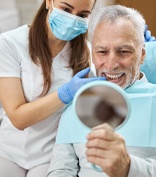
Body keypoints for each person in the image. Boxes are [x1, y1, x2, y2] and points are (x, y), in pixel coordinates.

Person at [0, 0, 107, 176]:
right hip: (8, 150)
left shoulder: (87, 56)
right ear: (49, 2)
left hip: (50, 155)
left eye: (82, 15)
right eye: (66, 9)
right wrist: (65, 94)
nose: (73, 20)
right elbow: (18, 118)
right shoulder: (10, 43)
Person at [47, 5, 156, 177]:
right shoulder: (76, 106)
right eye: (102, 52)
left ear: (142, 54)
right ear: (92, 55)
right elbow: (61, 170)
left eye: (124, 51)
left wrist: (129, 167)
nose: (111, 64)